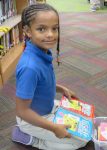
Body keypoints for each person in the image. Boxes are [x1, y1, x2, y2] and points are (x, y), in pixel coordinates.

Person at [11, 3, 87, 150]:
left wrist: (61, 88)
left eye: (55, 28)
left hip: (48, 107)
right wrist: (54, 128)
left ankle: (48, 130)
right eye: (41, 29)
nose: (50, 34)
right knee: (79, 141)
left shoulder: (41, 51)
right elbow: (22, 111)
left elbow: (42, 83)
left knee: (84, 123)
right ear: (27, 31)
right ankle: (32, 139)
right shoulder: (30, 67)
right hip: (30, 120)